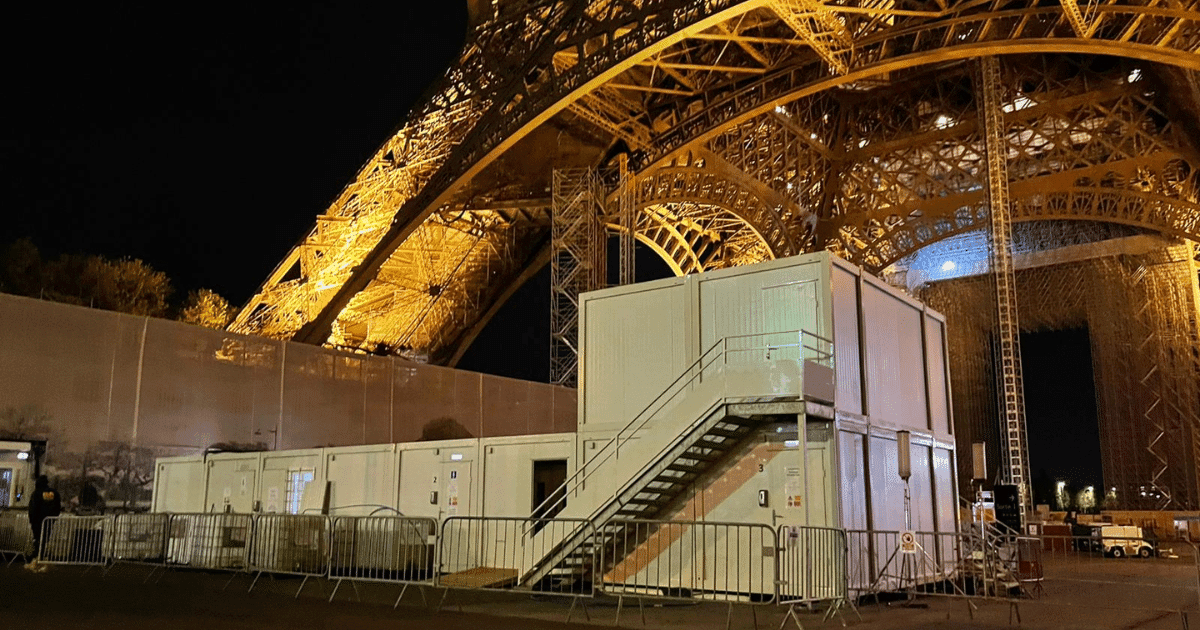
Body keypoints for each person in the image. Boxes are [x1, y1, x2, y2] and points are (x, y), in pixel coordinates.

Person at [28, 475, 62, 560]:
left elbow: (33, 507)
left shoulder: (37, 493)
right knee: (45, 538)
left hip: (37, 520)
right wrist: (54, 517)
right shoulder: (54, 493)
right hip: (49, 520)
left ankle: (37, 555)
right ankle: (42, 554)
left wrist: (32, 519)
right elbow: (58, 506)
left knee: (37, 538)